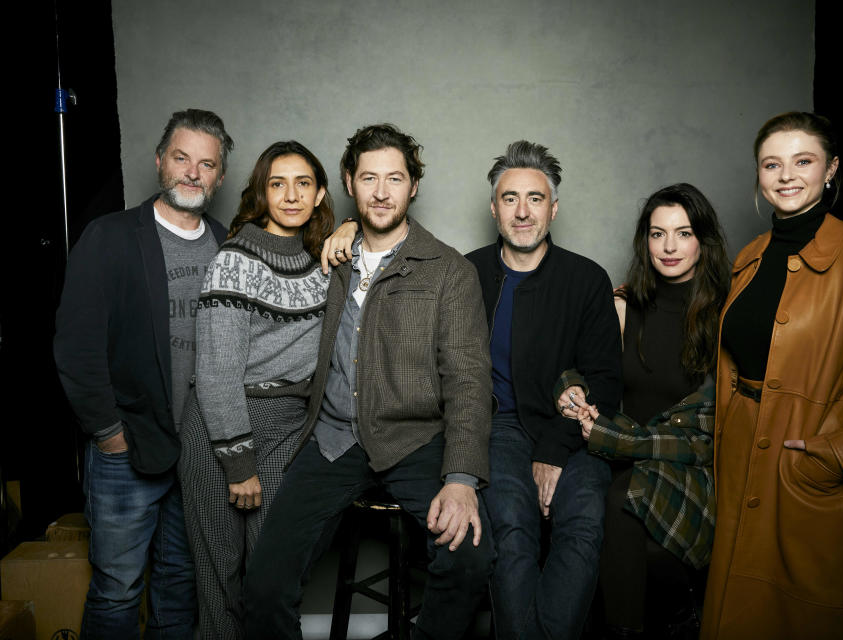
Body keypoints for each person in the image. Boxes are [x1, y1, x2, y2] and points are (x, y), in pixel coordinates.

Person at [242, 124, 494, 640]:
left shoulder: (450, 271)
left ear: (414, 186)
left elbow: (469, 381)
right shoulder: (328, 257)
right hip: (333, 440)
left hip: (416, 440)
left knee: (470, 559)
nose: (382, 191)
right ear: (349, 184)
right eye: (369, 178)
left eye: (395, 178)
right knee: (264, 585)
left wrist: (462, 479)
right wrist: (347, 230)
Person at [700, 112, 843, 640]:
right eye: (771, 164)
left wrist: (841, 455)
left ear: (830, 169)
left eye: (802, 161)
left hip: (807, 464)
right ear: (758, 176)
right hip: (739, 459)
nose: (786, 175)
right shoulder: (749, 257)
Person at [54, 108, 233, 639]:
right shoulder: (109, 237)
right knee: (118, 588)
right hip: (128, 450)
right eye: (182, 158)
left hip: (198, 454)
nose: (192, 173)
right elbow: (76, 345)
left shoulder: (229, 244)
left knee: (180, 585)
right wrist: (108, 434)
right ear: (160, 161)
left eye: (206, 164)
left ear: (220, 177)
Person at [178, 141, 356, 638]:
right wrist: (239, 463)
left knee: (270, 579)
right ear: (262, 192)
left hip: (287, 430)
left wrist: (352, 225)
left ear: (321, 193)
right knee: (218, 584)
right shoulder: (236, 259)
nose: (291, 195)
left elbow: (387, 225)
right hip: (222, 429)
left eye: (303, 184)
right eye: (277, 184)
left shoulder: (327, 260)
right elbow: (215, 370)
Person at [465, 140, 623, 639]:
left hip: (576, 429)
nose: (523, 211)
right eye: (510, 198)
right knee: (512, 529)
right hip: (501, 427)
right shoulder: (465, 274)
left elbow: (605, 380)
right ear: (494, 208)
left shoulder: (586, 279)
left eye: (535, 198)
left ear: (553, 209)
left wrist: (555, 450)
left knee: (583, 524)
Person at [563, 183, 730, 639]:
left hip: (693, 462)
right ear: (645, 241)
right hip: (627, 457)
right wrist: (572, 389)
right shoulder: (622, 306)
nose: (670, 247)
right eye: (658, 234)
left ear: (704, 240)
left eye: (683, 233)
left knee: (622, 509)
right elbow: (578, 369)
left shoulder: (727, 312)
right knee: (607, 515)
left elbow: (715, 423)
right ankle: (656, 624)